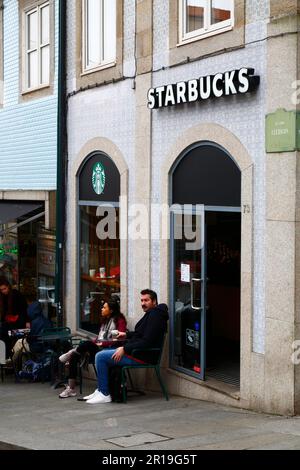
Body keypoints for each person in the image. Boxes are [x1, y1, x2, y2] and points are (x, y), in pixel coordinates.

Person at [84, 289, 169, 405]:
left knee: (100, 356)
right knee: (105, 352)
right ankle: (100, 390)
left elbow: (147, 341)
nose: (143, 303)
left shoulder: (155, 316)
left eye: (146, 300)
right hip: (136, 352)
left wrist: (124, 349)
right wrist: (126, 334)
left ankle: (104, 393)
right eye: (142, 300)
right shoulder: (152, 314)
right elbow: (141, 334)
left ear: (154, 301)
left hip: (142, 355)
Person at [58, 299, 127, 398]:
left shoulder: (120, 321)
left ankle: (69, 353)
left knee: (85, 345)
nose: (101, 309)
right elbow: (99, 337)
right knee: (75, 356)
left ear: (111, 310)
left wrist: (102, 343)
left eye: (104, 307)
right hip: (100, 348)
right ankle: (71, 389)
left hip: (110, 350)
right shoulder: (105, 321)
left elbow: (120, 340)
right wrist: (97, 342)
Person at [11, 297, 52, 370]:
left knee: (20, 343)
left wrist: (27, 336)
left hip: (37, 346)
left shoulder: (34, 322)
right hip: (46, 345)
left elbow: (30, 339)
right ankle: (16, 361)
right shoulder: (46, 320)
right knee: (21, 345)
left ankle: (13, 361)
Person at [0, 277, 28, 358]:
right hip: (9, 325)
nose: (3, 291)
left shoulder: (16, 294)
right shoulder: (2, 297)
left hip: (18, 326)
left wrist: (26, 321)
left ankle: (7, 357)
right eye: (1, 290)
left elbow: (24, 309)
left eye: (4, 289)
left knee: (4, 334)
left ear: (8, 286)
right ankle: (5, 357)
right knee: (3, 334)